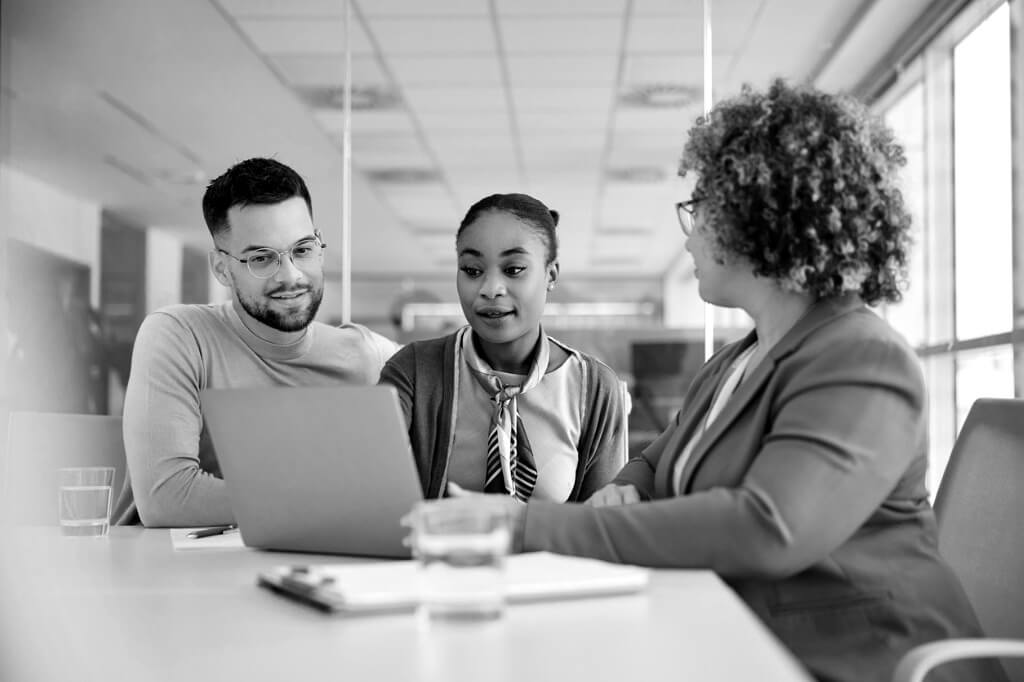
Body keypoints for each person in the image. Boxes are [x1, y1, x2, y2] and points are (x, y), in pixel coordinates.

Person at [408, 82, 1001, 682]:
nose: (689, 235)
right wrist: (632, 487)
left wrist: (522, 524)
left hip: (863, 659)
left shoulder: (861, 359)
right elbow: (654, 461)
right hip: (744, 641)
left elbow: (767, 527)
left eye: (701, 209)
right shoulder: (735, 363)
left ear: (763, 216)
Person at [116, 157, 399, 527]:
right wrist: (343, 499)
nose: (291, 276)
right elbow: (168, 498)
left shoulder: (367, 356)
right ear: (222, 268)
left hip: (315, 565)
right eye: (262, 258)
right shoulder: (179, 335)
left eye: (303, 250)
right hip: (176, 573)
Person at [379, 193, 626, 502]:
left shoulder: (596, 389)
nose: (490, 289)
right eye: (472, 270)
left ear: (551, 275)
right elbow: (374, 495)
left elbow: (603, 527)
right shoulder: (414, 370)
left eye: (513, 270)